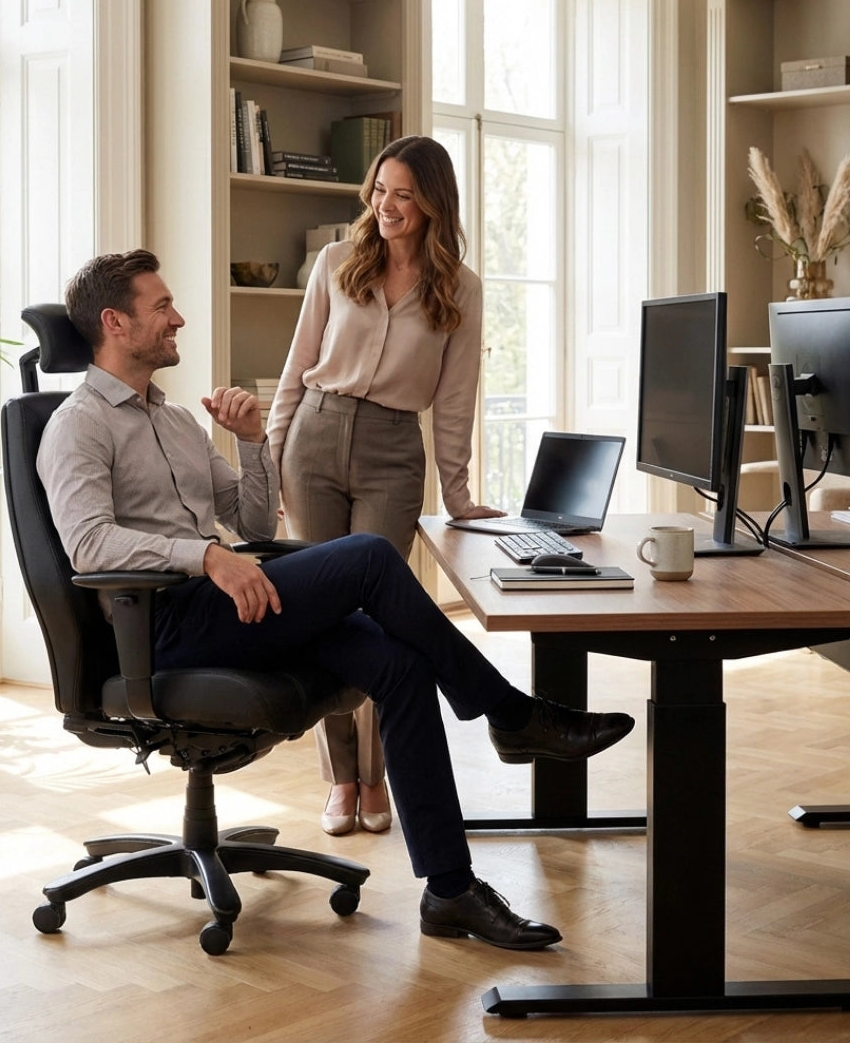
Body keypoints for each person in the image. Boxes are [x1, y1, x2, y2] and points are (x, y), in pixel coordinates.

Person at [37, 249, 635, 952]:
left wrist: (255, 444)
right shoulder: (78, 426)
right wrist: (204, 556)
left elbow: (255, 525)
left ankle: (450, 892)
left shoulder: (174, 422)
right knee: (372, 557)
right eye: (161, 306)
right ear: (115, 322)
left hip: (233, 602)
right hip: (166, 625)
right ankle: (510, 714)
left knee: (399, 669)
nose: (179, 318)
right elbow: (91, 547)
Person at [267, 136, 502, 837]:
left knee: (378, 616)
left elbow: (455, 401)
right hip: (314, 434)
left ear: (432, 201)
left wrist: (457, 495)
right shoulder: (337, 263)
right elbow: (296, 366)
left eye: (403, 193)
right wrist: (272, 460)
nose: (387, 205)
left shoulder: (460, 287)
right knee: (315, 612)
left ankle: (377, 776)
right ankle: (341, 779)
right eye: (379, 190)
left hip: (395, 452)